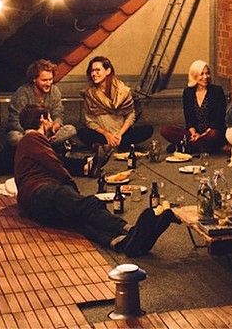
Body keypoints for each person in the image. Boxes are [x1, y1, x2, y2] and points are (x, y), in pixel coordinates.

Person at [14, 104, 179, 256]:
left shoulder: (27, 142)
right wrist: (73, 190)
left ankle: (121, 243)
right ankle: (131, 230)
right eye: (50, 118)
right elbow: (55, 164)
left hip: (35, 204)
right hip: (42, 192)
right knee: (90, 204)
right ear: (42, 119)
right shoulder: (33, 138)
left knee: (78, 221)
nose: (52, 123)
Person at [78, 56, 153, 151]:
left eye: (97, 70)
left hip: (122, 133)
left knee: (148, 130)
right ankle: (118, 144)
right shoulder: (90, 94)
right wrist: (107, 134)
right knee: (82, 133)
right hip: (102, 134)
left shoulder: (123, 91)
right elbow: (90, 121)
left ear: (108, 71)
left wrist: (119, 134)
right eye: (92, 71)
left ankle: (111, 144)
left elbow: (130, 116)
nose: (94, 74)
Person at [8, 59, 77, 150]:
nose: (48, 83)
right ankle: (44, 144)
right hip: (27, 134)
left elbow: (58, 116)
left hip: (48, 132)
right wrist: (36, 134)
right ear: (34, 79)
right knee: (13, 137)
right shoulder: (22, 93)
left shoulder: (54, 91)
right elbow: (14, 121)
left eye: (50, 79)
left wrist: (53, 127)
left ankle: (41, 144)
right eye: (44, 80)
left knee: (70, 129)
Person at [160, 60, 226, 153]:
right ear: (194, 76)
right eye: (201, 74)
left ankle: (186, 146)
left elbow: (219, 119)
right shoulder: (188, 92)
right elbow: (189, 119)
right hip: (194, 134)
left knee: (213, 135)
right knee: (165, 130)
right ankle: (197, 146)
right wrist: (194, 133)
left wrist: (202, 135)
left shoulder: (217, 91)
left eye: (207, 73)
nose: (205, 77)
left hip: (210, 132)